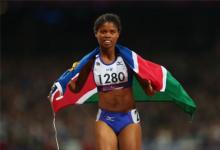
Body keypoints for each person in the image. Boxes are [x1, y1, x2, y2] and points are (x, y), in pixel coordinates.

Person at [68, 13, 156, 150]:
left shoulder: (129, 59)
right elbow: (76, 88)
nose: (107, 35)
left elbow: (148, 90)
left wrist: (151, 87)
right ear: (96, 34)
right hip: (105, 118)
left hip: (128, 118)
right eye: (103, 31)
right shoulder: (90, 61)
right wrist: (69, 83)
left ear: (118, 34)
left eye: (112, 31)